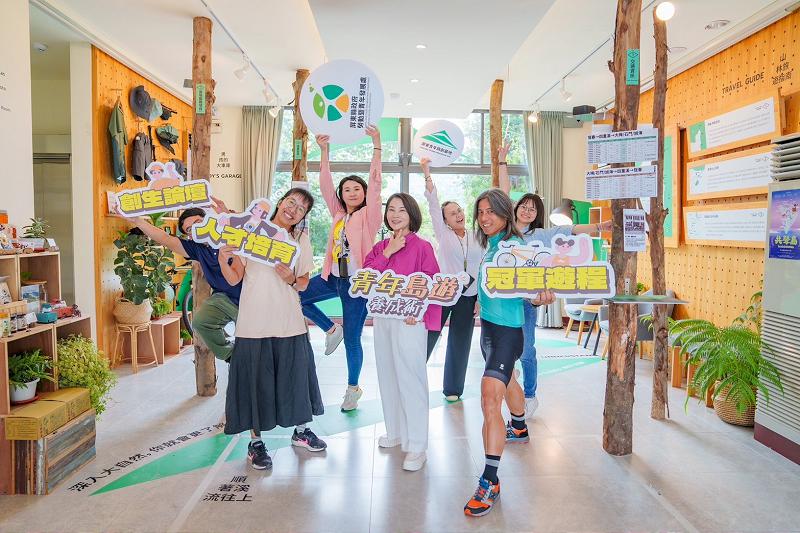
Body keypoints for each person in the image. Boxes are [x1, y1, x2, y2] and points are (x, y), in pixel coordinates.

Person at [497, 142, 611, 417]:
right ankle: (509, 384)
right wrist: (502, 161)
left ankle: (530, 395)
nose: (527, 211)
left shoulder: (543, 235)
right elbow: (503, 192)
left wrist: (599, 226)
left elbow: (572, 229)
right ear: (515, 209)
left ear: (537, 215)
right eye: (523, 206)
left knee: (527, 350)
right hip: (503, 300)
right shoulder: (505, 231)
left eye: (532, 209)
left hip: (528, 301)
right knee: (503, 350)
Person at [218, 188, 326, 470]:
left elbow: (304, 283)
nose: (294, 210)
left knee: (295, 378)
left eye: (301, 208)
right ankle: (255, 443)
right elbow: (234, 278)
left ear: (302, 217)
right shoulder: (251, 231)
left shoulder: (299, 240)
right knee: (255, 383)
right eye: (292, 202)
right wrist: (222, 259)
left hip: (289, 321)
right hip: (253, 323)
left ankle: (301, 431)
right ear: (280, 202)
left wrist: (291, 278)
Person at [463, 188, 556, 517]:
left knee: (490, 398)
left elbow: (529, 287)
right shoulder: (492, 245)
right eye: (480, 212)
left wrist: (538, 297)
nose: (484, 217)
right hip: (488, 331)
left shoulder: (515, 246)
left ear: (505, 213)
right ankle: (518, 426)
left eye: (491, 211)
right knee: (508, 380)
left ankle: (490, 480)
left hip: (507, 334)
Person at [300, 126, 383, 412]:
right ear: (341, 195)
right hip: (331, 277)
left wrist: (376, 144)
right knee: (297, 295)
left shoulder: (370, 215)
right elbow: (325, 185)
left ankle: (352, 388)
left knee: (352, 340)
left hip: (357, 285)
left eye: (356, 189)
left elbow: (376, 182)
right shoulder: (338, 214)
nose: (351, 192)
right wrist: (324, 151)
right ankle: (330, 327)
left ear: (364, 193)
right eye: (346, 189)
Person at [362, 193, 441, 471]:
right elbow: (365, 277)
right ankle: (395, 431)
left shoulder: (423, 247)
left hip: (410, 320)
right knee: (388, 375)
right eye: (391, 210)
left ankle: (417, 445)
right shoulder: (381, 246)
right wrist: (388, 252)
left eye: (402, 210)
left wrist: (419, 311)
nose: (395, 215)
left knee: (411, 379)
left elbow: (432, 283)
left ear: (412, 215)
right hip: (383, 318)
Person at [121, 197, 239, 362]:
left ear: (209, 220)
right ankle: (231, 355)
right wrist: (138, 221)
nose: (196, 229)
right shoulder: (197, 248)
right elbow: (166, 239)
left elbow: (256, 227)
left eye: (198, 222)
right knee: (201, 321)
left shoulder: (231, 233)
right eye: (190, 229)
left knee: (255, 339)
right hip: (224, 298)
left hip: (251, 297)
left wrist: (227, 214)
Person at [421, 157, 484, 402]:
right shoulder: (443, 234)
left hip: (469, 296)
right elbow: (432, 203)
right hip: (444, 292)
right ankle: (412, 374)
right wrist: (427, 172)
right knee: (430, 335)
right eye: (452, 213)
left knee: (461, 342)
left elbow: (482, 267)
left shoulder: (477, 235)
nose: (458, 215)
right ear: (445, 220)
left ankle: (453, 390)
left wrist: (479, 298)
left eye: (459, 211)